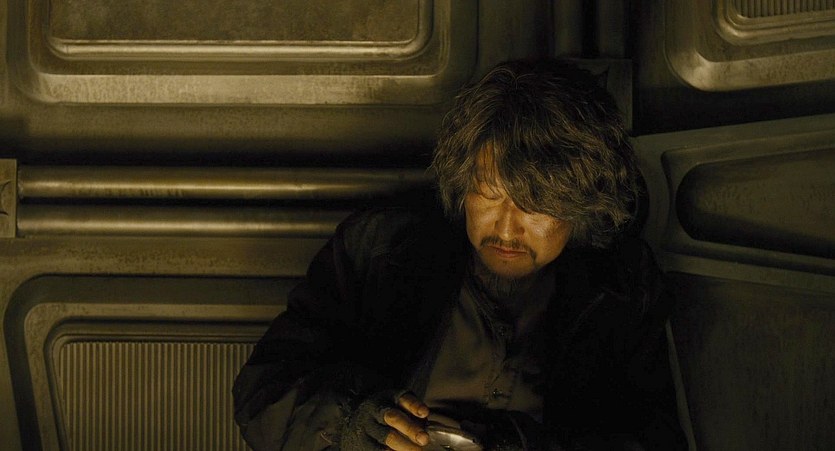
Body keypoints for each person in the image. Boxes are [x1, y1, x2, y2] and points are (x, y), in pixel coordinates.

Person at [233, 59, 687, 450]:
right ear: (462, 184)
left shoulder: (624, 286)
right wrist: (351, 421)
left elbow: (658, 438)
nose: (506, 229)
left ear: (581, 205)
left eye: (537, 206)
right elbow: (261, 395)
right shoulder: (382, 249)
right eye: (489, 195)